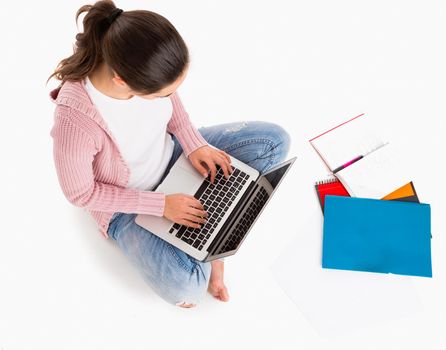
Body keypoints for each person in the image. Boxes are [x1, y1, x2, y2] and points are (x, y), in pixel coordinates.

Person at [47, 0, 291, 308]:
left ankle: (210, 228)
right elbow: (80, 194)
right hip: (129, 205)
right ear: (122, 81)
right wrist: (161, 205)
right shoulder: (75, 121)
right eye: (161, 93)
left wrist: (194, 143)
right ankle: (207, 233)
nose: (169, 96)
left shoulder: (139, 63)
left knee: (273, 141)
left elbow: (171, 105)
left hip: (175, 158)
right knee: (188, 287)